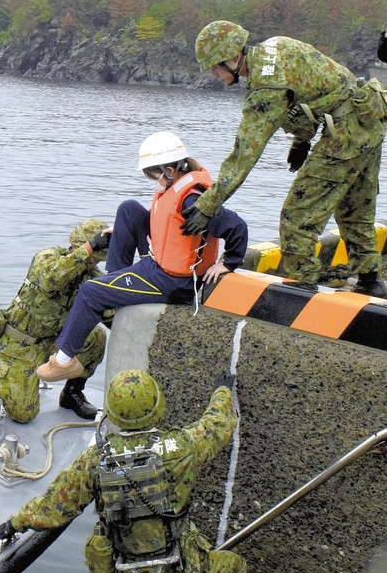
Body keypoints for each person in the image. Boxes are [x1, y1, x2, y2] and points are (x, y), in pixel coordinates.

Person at [0, 369, 249, 573]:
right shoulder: (181, 447)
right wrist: (222, 390)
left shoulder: (96, 460)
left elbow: (54, 507)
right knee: (231, 571)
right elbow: (219, 423)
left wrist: (14, 523)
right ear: (158, 404)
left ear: (112, 412)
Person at [183, 20, 387, 297]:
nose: (213, 74)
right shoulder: (275, 45)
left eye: (215, 66)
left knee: (296, 218)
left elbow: (244, 154)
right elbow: (316, 86)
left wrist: (208, 204)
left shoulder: (266, 87)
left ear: (233, 57)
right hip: (369, 116)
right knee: (355, 208)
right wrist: (301, 140)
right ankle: (371, 281)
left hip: (346, 133)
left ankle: (302, 290)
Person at [36, 131, 248, 384]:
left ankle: (63, 362)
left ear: (169, 170)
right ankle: (115, 285)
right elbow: (167, 221)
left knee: (90, 292)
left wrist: (228, 263)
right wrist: (125, 230)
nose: (151, 180)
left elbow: (237, 227)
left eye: (152, 174)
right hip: (159, 263)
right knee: (128, 210)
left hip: (173, 283)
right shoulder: (177, 188)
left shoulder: (192, 199)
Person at [0, 219, 110, 423]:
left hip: (55, 344)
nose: (92, 263)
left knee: (95, 337)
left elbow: (110, 314)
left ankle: (72, 393)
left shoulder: (92, 278)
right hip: (21, 345)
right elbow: (52, 279)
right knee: (23, 415)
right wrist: (91, 247)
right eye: (91, 256)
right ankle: (3, 372)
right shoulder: (48, 258)